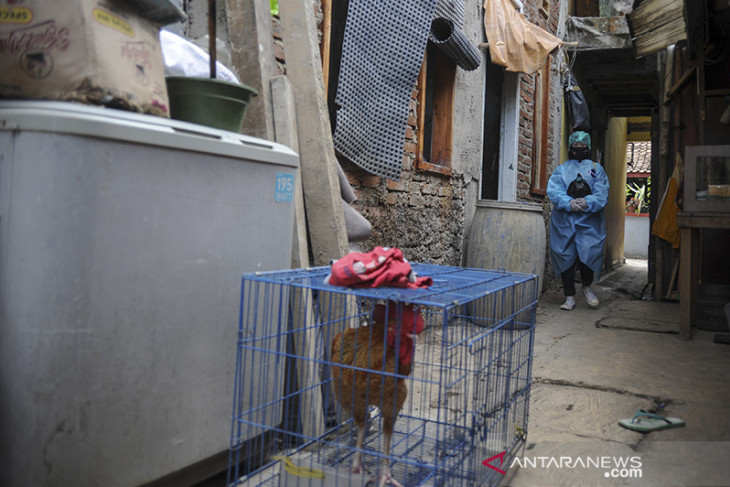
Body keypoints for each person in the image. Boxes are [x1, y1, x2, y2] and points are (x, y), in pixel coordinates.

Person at [547, 131, 610, 310]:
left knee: (588, 253)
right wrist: (568, 203)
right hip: (564, 222)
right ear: (570, 147)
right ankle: (569, 296)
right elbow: (554, 190)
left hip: (590, 222)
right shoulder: (562, 169)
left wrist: (588, 202)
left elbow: (602, 190)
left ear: (588, 148)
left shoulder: (596, 169)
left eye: (583, 147)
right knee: (565, 255)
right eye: (576, 146)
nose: (579, 149)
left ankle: (587, 287)